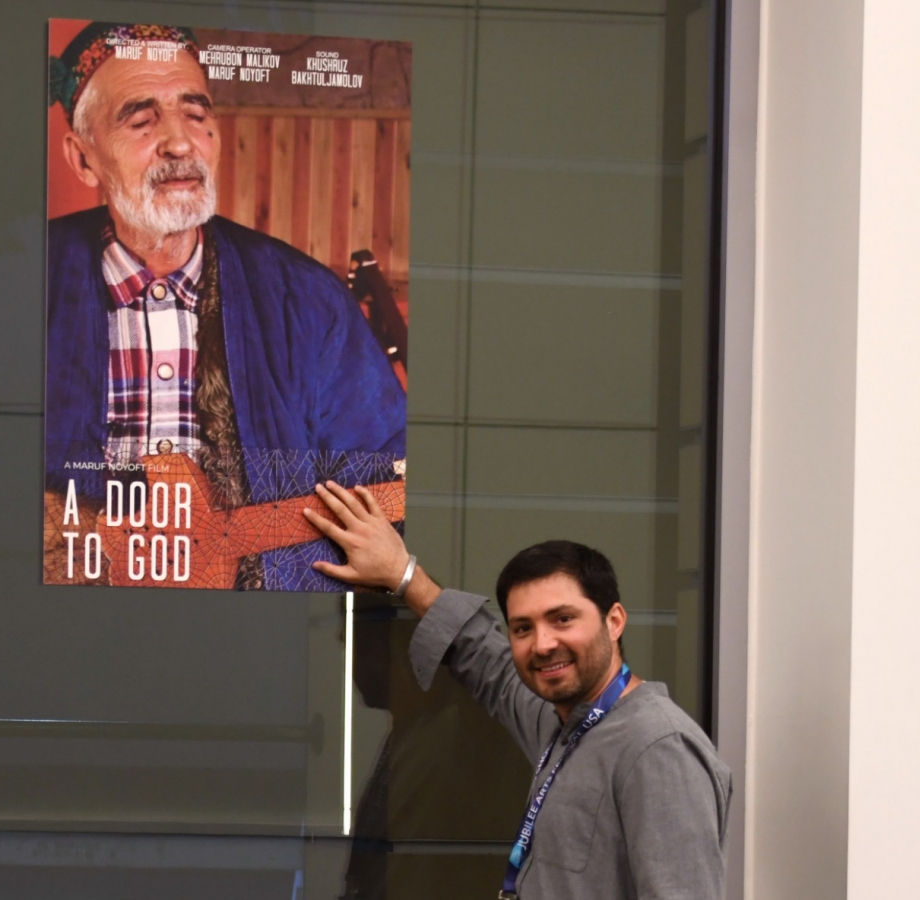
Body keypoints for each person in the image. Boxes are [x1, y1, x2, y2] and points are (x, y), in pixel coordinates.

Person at [43, 24, 406, 590]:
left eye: (196, 114)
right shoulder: (20, 283)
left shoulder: (307, 299)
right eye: (141, 121)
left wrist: (231, 539)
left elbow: (391, 481)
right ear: (84, 159)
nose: (180, 143)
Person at [303, 481, 732, 899]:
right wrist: (402, 574)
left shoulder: (658, 748)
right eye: (523, 628)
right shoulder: (558, 723)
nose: (543, 644)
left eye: (563, 619)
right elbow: (485, 656)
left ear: (614, 621)